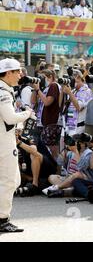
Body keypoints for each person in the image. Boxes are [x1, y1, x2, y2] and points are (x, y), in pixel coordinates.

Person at [0, 58, 34, 232]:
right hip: (3, 143)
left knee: (12, 179)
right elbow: (10, 117)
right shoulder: (3, 92)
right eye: (17, 71)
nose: (20, 74)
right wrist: (26, 114)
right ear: (8, 73)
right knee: (9, 180)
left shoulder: (5, 89)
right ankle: (2, 220)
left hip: (5, 138)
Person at [33, 69, 62, 161]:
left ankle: (56, 170)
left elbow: (47, 102)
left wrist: (38, 90)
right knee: (46, 149)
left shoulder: (54, 86)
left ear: (50, 77)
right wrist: (36, 89)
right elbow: (33, 101)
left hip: (52, 122)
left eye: (42, 78)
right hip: (44, 123)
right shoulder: (45, 88)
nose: (40, 80)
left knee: (52, 149)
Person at [62, 69, 93, 136]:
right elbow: (63, 107)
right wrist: (63, 90)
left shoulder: (86, 91)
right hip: (68, 126)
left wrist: (69, 93)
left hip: (78, 128)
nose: (72, 82)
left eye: (73, 79)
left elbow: (79, 107)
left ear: (79, 78)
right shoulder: (73, 91)